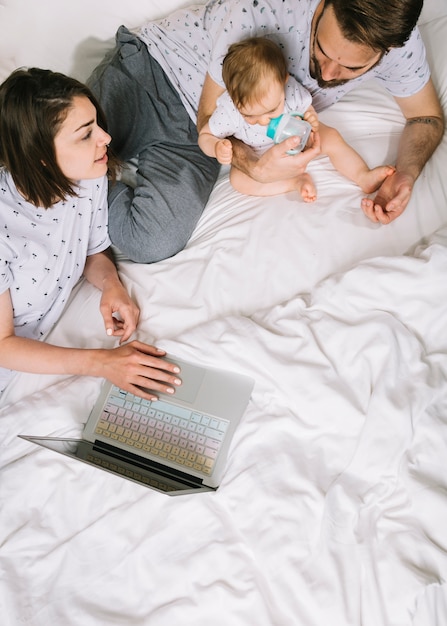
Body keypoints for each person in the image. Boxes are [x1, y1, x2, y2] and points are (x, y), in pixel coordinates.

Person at [0, 68, 183, 399]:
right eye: (85, 134)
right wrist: (103, 364)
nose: (106, 138)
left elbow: (90, 250)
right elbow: (3, 346)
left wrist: (111, 285)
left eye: (96, 124)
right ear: (40, 157)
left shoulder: (88, 174)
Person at [198, 37, 394, 201]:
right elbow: (205, 135)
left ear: (284, 81)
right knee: (238, 180)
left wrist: (311, 118)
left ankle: (363, 176)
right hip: (259, 155)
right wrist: (215, 147)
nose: (264, 121)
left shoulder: (290, 90)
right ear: (233, 99)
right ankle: (294, 182)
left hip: (296, 137)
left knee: (331, 136)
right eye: (250, 115)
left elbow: (305, 109)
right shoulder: (230, 111)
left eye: (272, 110)